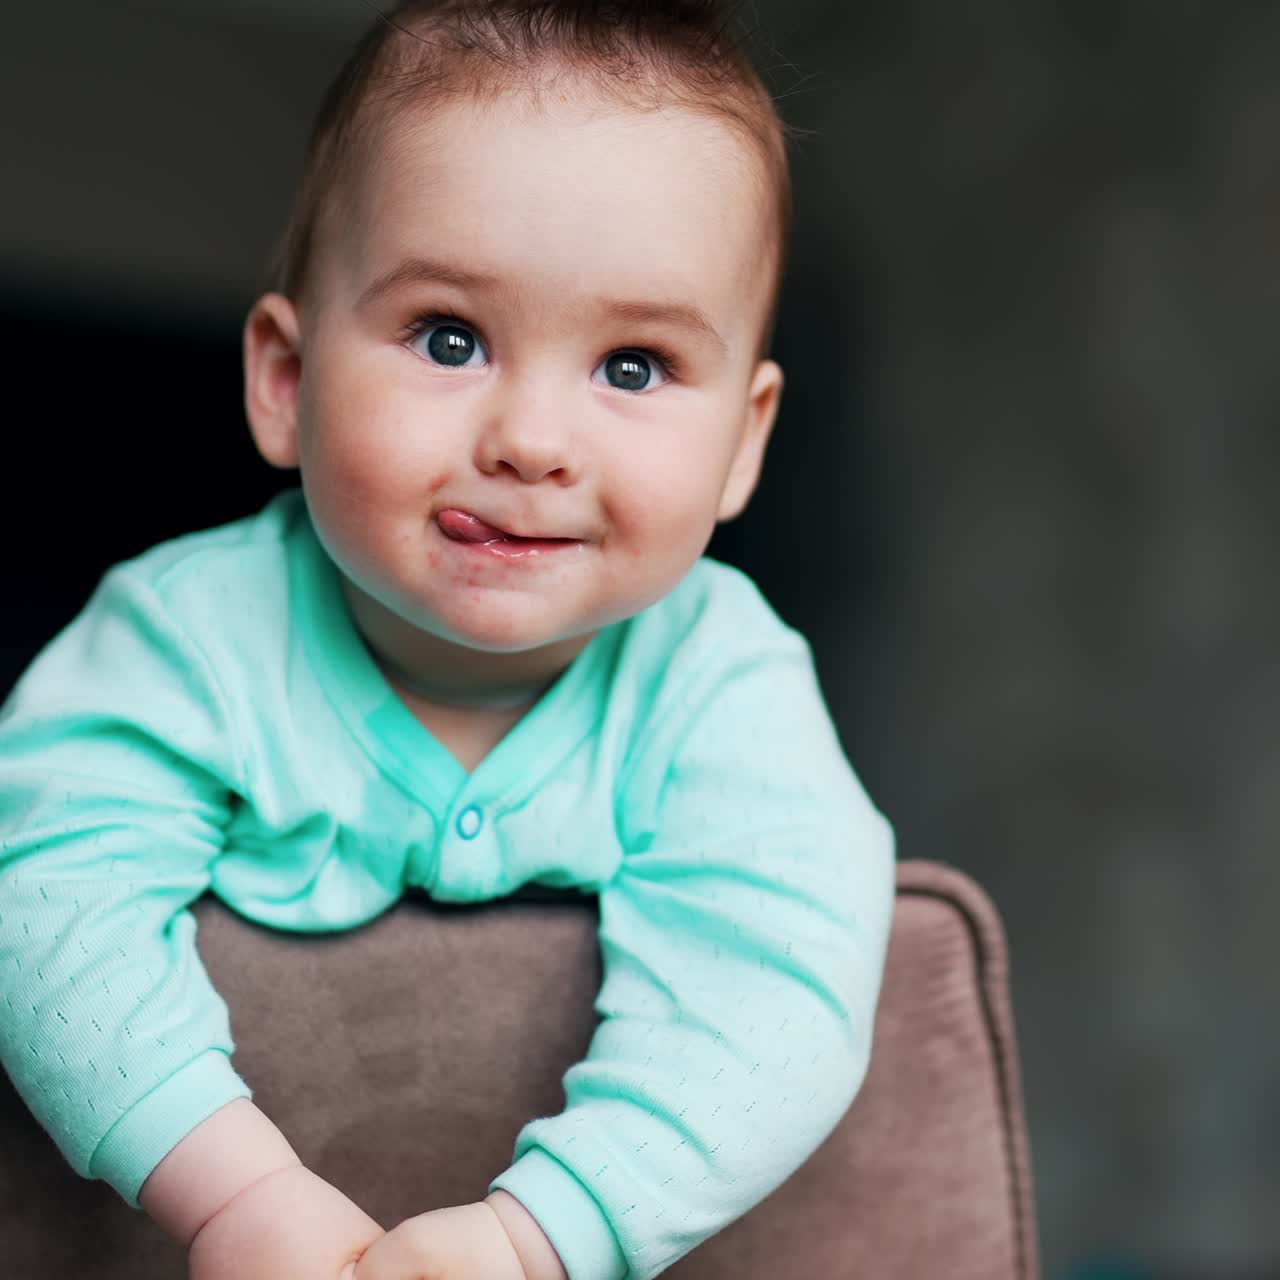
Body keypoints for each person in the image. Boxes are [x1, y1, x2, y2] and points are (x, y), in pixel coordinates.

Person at [0, 2, 895, 1277]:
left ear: (742, 441)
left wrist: (539, 1238)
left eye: (631, 366)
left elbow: (776, 984)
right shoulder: (184, 635)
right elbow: (42, 894)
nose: (531, 439)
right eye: (449, 337)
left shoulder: (719, 676)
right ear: (286, 382)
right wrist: (234, 1190)